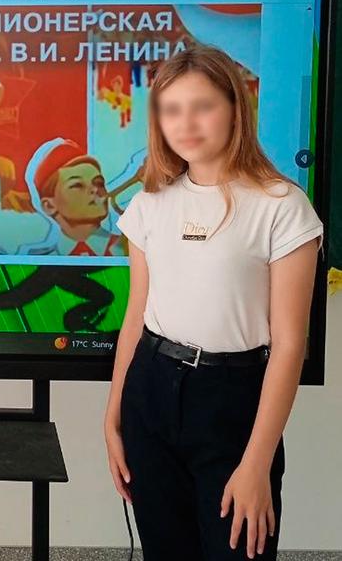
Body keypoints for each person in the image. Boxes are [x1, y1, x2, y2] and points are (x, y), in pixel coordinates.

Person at [104, 46, 323, 560]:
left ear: (234, 108)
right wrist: (112, 418)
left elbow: (290, 344)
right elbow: (135, 318)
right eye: (171, 109)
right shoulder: (149, 204)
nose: (186, 123)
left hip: (233, 401)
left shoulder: (282, 206)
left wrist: (256, 464)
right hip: (150, 392)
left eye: (202, 106)